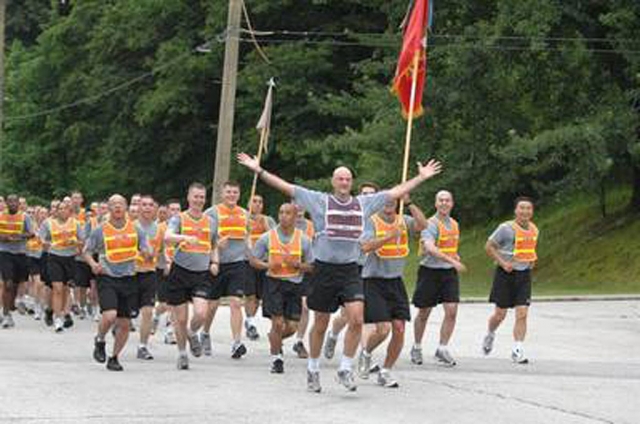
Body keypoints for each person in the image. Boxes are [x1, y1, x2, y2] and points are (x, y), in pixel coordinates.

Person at [237, 152, 442, 393]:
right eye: (340, 179)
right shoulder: (319, 201)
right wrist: (258, 170)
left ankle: (345, 368)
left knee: (356, 318)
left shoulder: (363, 203)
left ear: (351, 183)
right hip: (324, 270)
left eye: (348, 179)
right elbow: (285, 186)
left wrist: (421, 178)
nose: (344, 182)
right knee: (321, 323)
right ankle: (313, 368)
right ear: (333, 182)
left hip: (350, 270)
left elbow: (395, 192)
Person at [357, 196, 427, 387]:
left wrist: (411, 203)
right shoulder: (371, 221)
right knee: (383, 329)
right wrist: (389, 236)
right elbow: (365, 246)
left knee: (399, 328)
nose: (389, 204)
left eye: (393, 200)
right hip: (374, 281)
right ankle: (366, 353)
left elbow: (423, 225)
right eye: (385, 200)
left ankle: (386, 371)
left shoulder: (403, 220)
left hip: (396, 281)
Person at [85, 194, 151, 371]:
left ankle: (114, 357)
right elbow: (87, 251)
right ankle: (100, 340)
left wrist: (146, 252)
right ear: (108, 208)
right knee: (110, 315)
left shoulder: (136, 229)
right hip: (107, 277)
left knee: (124, 323)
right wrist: (93, 264)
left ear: (126, 207)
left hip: (129, 278)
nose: (117, 207)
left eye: (120, 204)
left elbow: (146, 248)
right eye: (113, 204)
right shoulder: (100, 230)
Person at [250, 203, 314, 373]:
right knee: (277, 323)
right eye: (281, 212)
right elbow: (253, 260)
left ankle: (274, 339)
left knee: (292, 327)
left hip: (294, 285)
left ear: (295, 217)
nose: (284, 216)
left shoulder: (304, 239)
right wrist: (267, 265)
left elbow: (313, 266)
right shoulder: (267, 237)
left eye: (288, 213)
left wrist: (298, 265)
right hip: (274, 283)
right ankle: (276, 358)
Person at [164, 183, 218, 370]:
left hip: (201, 273)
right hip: (180, 272)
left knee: (201, 313)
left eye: (202, 197)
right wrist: (184, 238)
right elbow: (167, 237)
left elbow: (214, 244)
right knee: (180, 318)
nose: (199, 200)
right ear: (188, 197)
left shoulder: (210, 221)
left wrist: (215, 262)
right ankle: (182, 353)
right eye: (196, 196)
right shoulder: (178, 218)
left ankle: (191, 332)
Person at [410, 190, 467, 367]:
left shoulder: (455, 224)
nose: (444, 203)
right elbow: (430, 247)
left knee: (451, 310)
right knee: (424, 312)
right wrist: (451, 259)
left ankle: (442, 348)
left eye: (447, 200)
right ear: (436, 203)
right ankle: (417, 346)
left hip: (448, 272)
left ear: (452, 203)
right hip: (430, 272)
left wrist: (454, 256)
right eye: (440, 200)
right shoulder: (429, 224)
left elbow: (449, 246)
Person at [324, 182, 379, 360]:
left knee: (362, 316)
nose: (367, 197)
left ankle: (364, 354)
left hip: (370, 271)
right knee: (346, 315)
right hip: (349, 268)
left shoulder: (379, 219)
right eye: (364, 194)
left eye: (371, 194)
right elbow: (364, 246)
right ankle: (333, 334)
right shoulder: (350, 214)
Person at [482, 197, 539, 364]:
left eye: (528, 208)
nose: (525, 212)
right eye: (521, 208)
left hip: (524, 275)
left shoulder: (534, 229)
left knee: (522, 313)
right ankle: (490, 334)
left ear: (532, 211)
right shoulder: (505, 228)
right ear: (515, 210)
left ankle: (517, 349)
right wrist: (503, 263)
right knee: (500, 315)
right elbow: (489, 246)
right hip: (505, 274)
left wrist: (532, 259)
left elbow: (529, 248)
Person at [203, 181, 250, 359]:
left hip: (238, 264)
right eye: (228, 192)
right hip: (217, 263)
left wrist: (251, 253)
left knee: (236, 303)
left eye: (235, 192)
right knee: (213, 304)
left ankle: (237, 343)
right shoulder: (211, 213)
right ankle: (205, 333)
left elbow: (248, 238)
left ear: (239, 195)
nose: (231, 195)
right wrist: (215, 245)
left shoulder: (245, 214)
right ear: (222, 194)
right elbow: (201, 239)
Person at [39, 200, 83, 332]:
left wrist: (75, 242)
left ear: (70, 211)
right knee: (57, 288)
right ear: (56, 211)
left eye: (65, 208)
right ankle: (58, 319)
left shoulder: (76, 223)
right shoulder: (48, 223)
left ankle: (64, 313)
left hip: (70, 258)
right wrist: (47, 244)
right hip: (54, 257)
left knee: (65, 289)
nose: (63, 211)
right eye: (60, 209)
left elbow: (82, 241)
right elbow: (41, 239)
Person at [134, 195, 164, 360]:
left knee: (147, 312)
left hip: (149, 273)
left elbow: (165, 249)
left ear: (155, 209)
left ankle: (142, 346)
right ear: (138, 208)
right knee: (125, 314)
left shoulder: (160, 229)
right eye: (143, 205)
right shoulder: (130, 227)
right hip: (129, 273)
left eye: (150, 205)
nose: (147, 208)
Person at [0, 194, 34, 328]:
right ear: (7, 203)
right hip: (4, 252)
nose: (13, 204)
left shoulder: (25, 217)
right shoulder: (1, 215)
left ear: (19, 204)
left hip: (21, 253)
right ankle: (6, 314)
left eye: (15, 202)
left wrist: (18, 236)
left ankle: (10, 305)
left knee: (15, 284)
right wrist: (4, 237)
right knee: (7, 283)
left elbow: (31, 233)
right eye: (10, 201)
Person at [245, 193, 276, 340]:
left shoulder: (268, 220)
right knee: (250, 295)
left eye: (260, 202)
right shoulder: (244, 219)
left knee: (258, 297)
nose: (257, 204)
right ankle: (251, 324)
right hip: (248, 261)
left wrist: (267, 226)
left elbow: (275, 237)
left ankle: (249, 320)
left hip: (263, 262)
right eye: (254, 201)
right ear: (248, 204)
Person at [291, 205, 315, 358]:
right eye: (296, 205)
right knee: (286, 313)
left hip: (306, 270)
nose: (299, 209)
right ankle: (278, 337)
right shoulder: (285, 225)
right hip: (287, 271)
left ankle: (299, 341)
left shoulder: (312, 226)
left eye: (301, 206)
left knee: (306, 307)